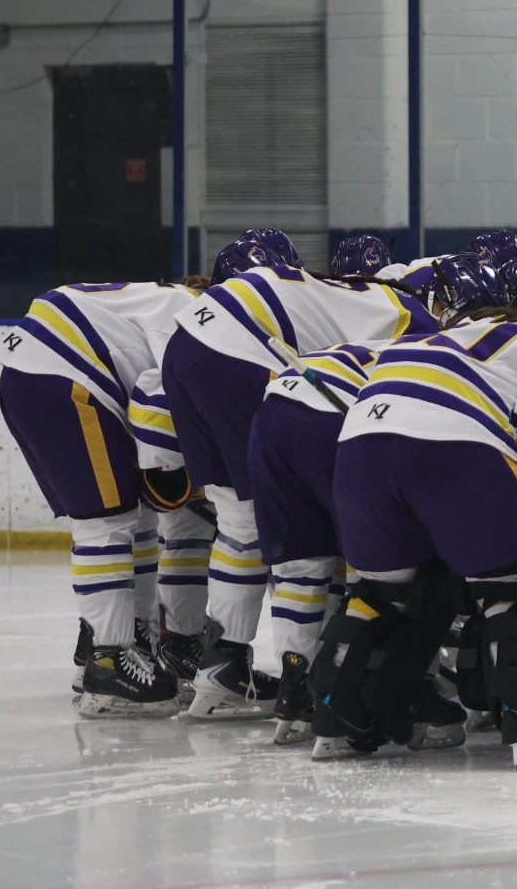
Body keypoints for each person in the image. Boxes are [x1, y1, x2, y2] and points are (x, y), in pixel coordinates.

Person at [312, 261, 517, 767]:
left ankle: (335, 720)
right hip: (452, 439)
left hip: (360, 444)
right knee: (514, 584)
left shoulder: (423, 340)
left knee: (380, 593)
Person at [161, 239, 440, 720]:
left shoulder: (344, 296)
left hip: (185, 346)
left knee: (240, 521)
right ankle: (335, 668)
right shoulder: (419, 321)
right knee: (349, 526)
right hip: (239, 352)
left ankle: (222, 664)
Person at [0, 277, 217, 716]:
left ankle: (115, 642)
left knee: (131, 516)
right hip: (63, 376)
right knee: (105, 522)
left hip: (40, 371)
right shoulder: (199, 320)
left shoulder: (167, 301)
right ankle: (109, 661)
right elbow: (159, 399)